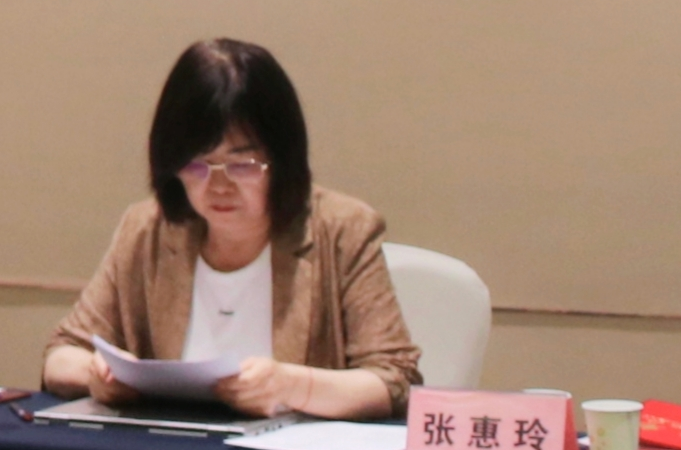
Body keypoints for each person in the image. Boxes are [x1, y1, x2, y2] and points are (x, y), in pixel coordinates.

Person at [41, 39, 420, 419]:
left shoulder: (343, 230)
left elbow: (393, 379)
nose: (219, 186)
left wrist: (292, 385)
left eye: (243, 165)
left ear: (283, 160)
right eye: (197, 165)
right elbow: (61, 354)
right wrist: (96, 374)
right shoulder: (146, 230)